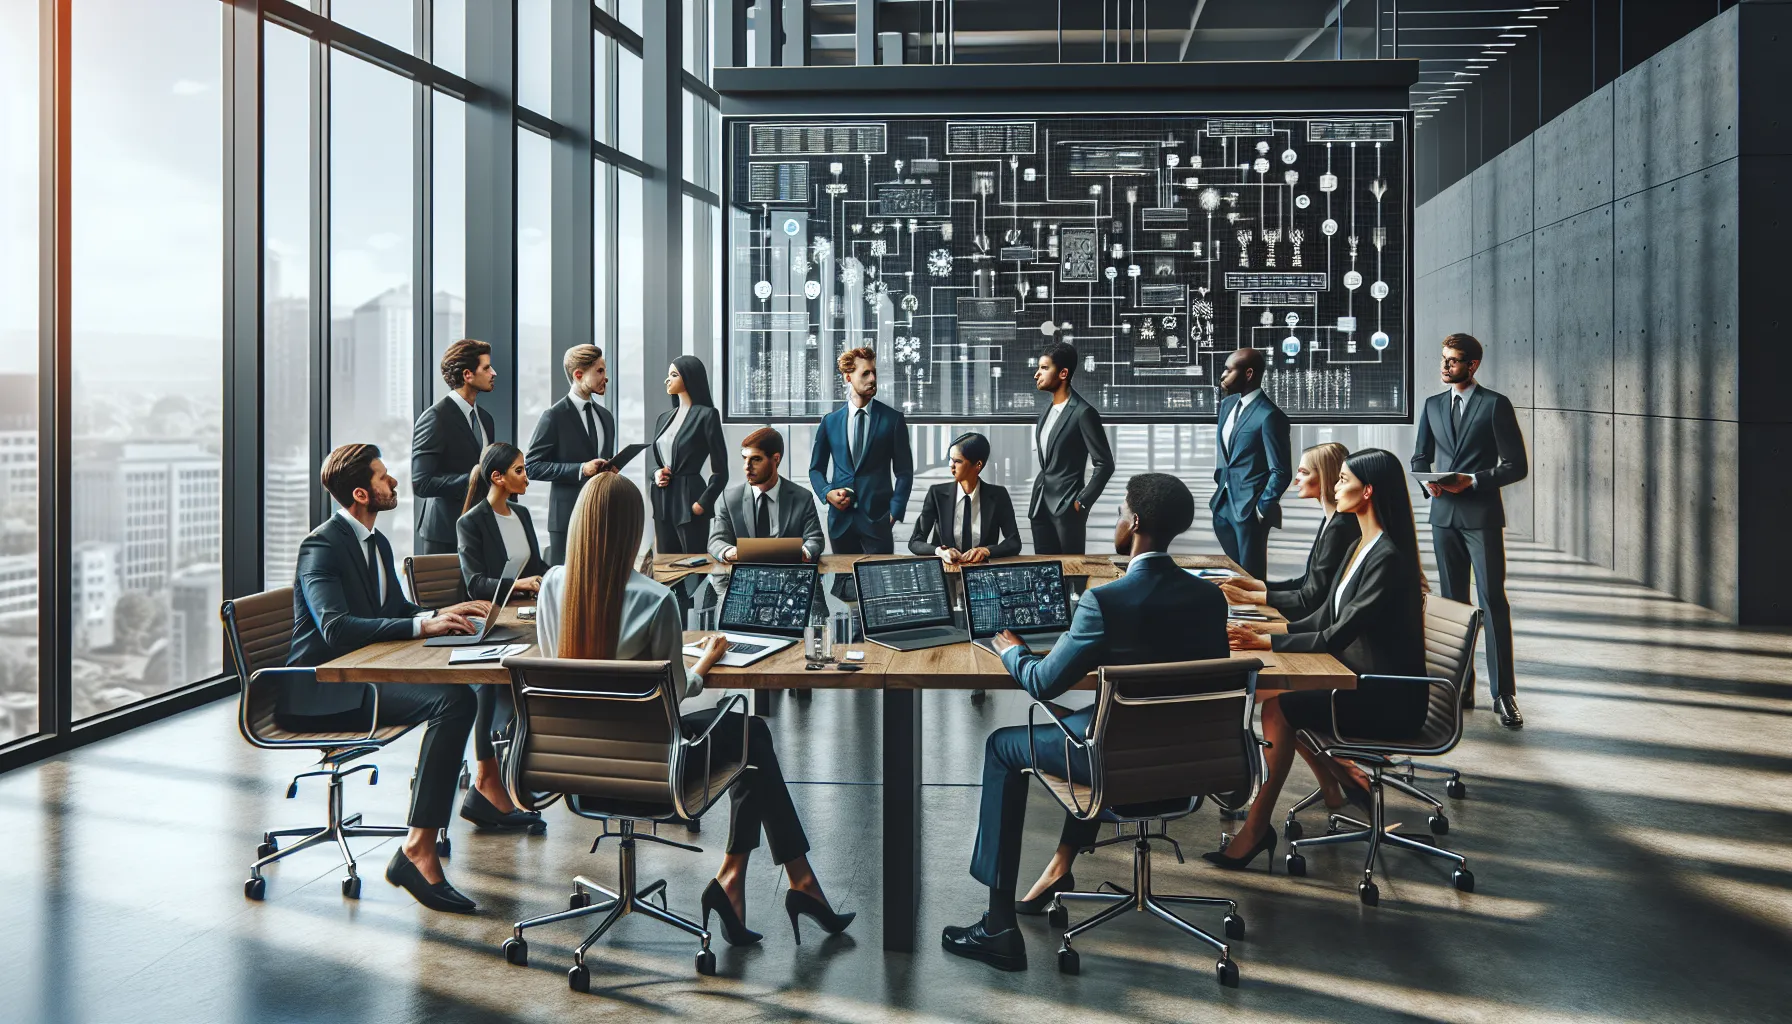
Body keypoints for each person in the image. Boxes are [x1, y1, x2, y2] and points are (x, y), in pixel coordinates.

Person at [535, 472, 855, 946]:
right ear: (631, 530)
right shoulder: (655, 600)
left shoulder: (551, 587)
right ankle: (787, 882)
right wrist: (705, 661)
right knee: (752, 735)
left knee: (751, 740)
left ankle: (748, 881)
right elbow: (676, 690)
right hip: (649, 774)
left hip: (574, 770)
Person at [940, 474, 1230, 972]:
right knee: (1094, 723)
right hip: (1189, 765)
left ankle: (997, 925)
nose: (1116, 520)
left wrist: (1012, 652)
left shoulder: (1105, 601)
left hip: (1115, 765)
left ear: (1134, 523)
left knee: (1003, 746)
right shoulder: (1210, 600)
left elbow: (1045, 682)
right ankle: (1059, 867)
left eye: (1119, 511)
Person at [284, 444, 492, 913]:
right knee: (453, 702)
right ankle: (417, 851)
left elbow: (394, 612)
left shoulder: (376, 542)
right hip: (320, 689)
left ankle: (419, 845)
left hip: (360, 677)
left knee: (460, 696)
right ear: (361, 493)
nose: (394, 482)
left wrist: (440, 613)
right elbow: (334, 627)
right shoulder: (321, 545)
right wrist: (423, 626)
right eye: (383, 477)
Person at [1213, 449, 1429, 871]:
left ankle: (1258, 826)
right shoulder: (1364, 545)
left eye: (1343, 480)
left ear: (1367, 492)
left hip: (1390, 699)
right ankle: (1339, 783)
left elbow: (1335, 635)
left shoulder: (1387, 557)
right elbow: (1322, 615)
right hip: (1361, 680)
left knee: (1280, 705)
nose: (1335, 486)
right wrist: (1264, 635)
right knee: (1277, 698)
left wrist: (1265, 644)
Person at [1412, 332, 1529, 729]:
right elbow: (1420, 455)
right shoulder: (1430, 406)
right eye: (1443, 359)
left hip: (1481, 517)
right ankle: (1460, 686)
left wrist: (1474, 481)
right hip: (1442, 516)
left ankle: (1504, 695)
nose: (1445, 366)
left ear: (1472, 365)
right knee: (1455, 607)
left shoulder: (1495, 405)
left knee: (1492, 601)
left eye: (1454, 360)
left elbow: (1517, 465)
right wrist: (1425, 480)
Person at [453, 443, 551, 834]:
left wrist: (550, 577)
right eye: (520, 471)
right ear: (498, 478)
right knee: (494, 682)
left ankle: (515, 773)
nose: (526, 477)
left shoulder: (523, 514)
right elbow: (474, 582)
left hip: (527, 614)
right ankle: (487, 781)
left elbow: (538, 565)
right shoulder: (472, 522)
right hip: (492, 620)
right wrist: (519, 583)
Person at [1219, 442, 1359, 621]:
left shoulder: (1340, 527)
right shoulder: (1331, 520)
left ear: (1325, 476)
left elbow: (1311, 598)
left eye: (1304, 472)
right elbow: (1305, 583)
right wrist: (1256, 586)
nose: (1296, 480)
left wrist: (1255, 596)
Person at [808, 346, 915, 555]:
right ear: (848, 377)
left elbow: (904, 472)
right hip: (840, 521)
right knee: (843, 584)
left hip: (878, 521)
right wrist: (827, 493)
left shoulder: (893, 420)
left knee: (878, 584)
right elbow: (816, 470)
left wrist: (895, 511)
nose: (872, 378)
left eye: (874, 372)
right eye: (865, 373)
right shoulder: (830, 422)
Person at [525, 344, 617, 565]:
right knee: (566, 589)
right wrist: (580, 469)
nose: (606, 377)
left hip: (602, 517)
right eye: (600, 371)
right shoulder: (553, 416)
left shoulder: (606, 417)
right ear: (578, 375)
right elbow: (531, 466)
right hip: (567, 519)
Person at [1210, 347, 1292, 580]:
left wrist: (1261, 508)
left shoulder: (1270, 416)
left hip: (1250, 510)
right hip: (1223, 505)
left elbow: (1281, 470)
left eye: (1228, 370)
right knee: (1232, 575)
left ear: (1248, 374)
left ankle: (1253, 617)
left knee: (1251, 579)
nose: (1223, 375)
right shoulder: (1227, 406)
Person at [1027, 342, 1114, 555]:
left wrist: (1081, 502)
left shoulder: (1083, 413)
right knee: (1045, 575)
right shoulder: (1045, 412)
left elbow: (1105, 464)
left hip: (1067, 507)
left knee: (1072, 573)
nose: (1037, 374)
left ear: (1063, 373)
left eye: (1044, 368)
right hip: (1040, 506)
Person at [414, 339, 499, 555]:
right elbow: (421, 483)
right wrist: (473, 479)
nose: (493, 373)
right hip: (444, 533)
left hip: (478, 528)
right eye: (486, 368)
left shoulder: (486, 419)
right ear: (467, 375)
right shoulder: (435, 418)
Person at [707, 427, 825, 563]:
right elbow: (717, 541)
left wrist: (805, 552)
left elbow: (815, 538)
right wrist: (730, 552)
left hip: (788, 575)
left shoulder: (802, 497)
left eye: (756, 459)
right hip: (745, 575)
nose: (747, 466)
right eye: (744, 458)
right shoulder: (729, 499)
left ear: (776, 459)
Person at [649, 355, 729, 556]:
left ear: (690, 377)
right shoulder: (663, 418)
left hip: (689, 499)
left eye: (674, 375)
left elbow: (721, 471)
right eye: (668, 375)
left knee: (693, 564)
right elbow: (657, 463)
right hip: (663, 500)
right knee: (666, 566)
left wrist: (702, 503)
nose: (667, 380)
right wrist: (656, 474)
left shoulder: (707, 415)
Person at [908, 432, 1022, 562]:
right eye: (950, 459)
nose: (951, 465)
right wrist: (939, 551)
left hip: (981, 571)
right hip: (946, 571)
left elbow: (1014, 542)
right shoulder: (937, 494)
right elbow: (915, 542)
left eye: (958, 461)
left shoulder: (998, 496)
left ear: (978, 465)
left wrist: (987, 551)